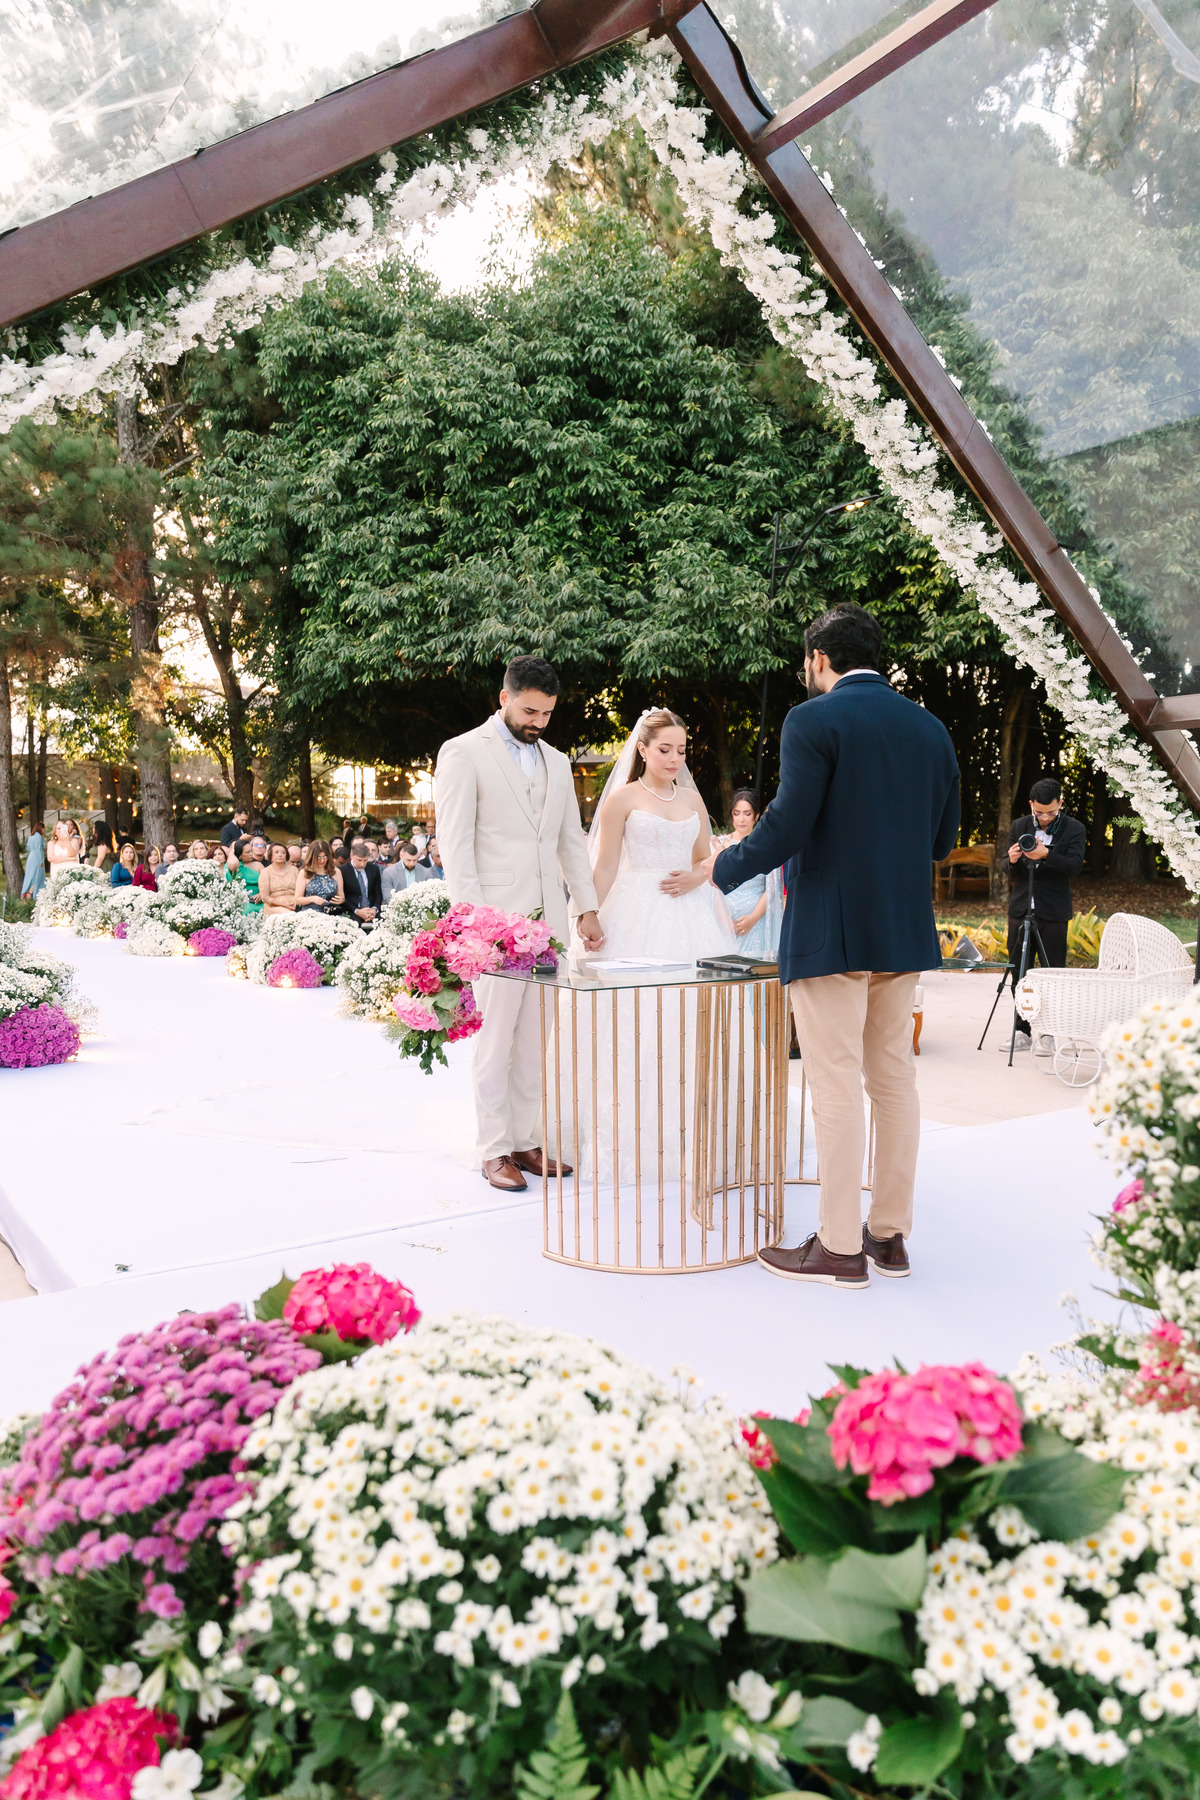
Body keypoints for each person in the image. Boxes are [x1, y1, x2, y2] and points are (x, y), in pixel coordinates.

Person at [679, 602, 960, 1290]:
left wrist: (721, 867)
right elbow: (942, 842)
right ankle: (888, 1238)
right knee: (893, 1081)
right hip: (902, 929)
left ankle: (837, 1247)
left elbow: (787, 825)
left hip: (830, 933)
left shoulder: (812, 719)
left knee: (834, 1083)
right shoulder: (931, 728)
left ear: (819, 659)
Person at [436, 654, 603, 1192]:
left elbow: (569, 840)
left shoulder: (557, 761)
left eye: (547, 713)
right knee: (495, 1040)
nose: (539, 722)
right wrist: (474, 924)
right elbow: (456, 844)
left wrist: (586, 908)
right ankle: (494, 1148)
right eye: (530, 711)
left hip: (549, 925)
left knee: (536, 1040)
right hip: (492, 926)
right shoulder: (463, 752)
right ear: (504, 697)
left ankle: (527, 1138)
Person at [1004, 776, 1087, 1052]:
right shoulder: (1020, 826)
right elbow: (1004, 865)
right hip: (1020, 909)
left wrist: (1046, 855)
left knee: (1053, 974)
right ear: (1031, 804)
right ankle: (1021, 1031)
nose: (1044, 818)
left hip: (1053, 912)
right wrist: (1011, 860)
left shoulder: (1074, 829)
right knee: (1019, 974)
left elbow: (1075, 867)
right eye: (1039, 812)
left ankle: (1049, 1034)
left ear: (1060, 803)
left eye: (1050, 812)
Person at [713, 790, 783, 958]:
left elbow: (772, 886)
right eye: (736, 813)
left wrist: (752, 919)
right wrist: (725, 921)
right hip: (724, 918)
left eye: (747, 813)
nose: (741, 819)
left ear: (756, 816)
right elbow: (712, 886)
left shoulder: (766, 846)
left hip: (756, 920)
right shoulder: (718, 844)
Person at [341, 839, 383, 925]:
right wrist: (357, 911)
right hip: (352, 910)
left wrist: (374, 909)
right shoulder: (342, 871)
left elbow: (378, 893)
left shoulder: (373, 869)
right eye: (359, 860)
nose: (362, 864)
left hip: (371, 910)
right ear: (351, 855)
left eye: (365, 860)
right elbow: (342, 897)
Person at [295, 840, 344, 912]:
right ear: (312, 857)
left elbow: (341, 896)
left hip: (331, 911)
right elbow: (297, 899)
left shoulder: (336, 872)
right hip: (310, 913)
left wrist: (340, 900)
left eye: (325, 857)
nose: (322, 860)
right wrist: (311, 899)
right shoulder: (304, 872)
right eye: (318, 857)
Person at [258, 840, 297, 913]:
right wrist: (285, 905)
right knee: (289, 913)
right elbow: (265, 897)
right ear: (271, 855)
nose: (280, 855)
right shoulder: (266, 872)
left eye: (283, 853)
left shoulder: (294, 870)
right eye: (276, 852)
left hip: (295, 904)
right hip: (274, 906)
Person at [227, 836, 264, 911]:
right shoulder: (234, 865)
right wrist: (233, 851)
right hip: (242, 902)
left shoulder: (258, 865)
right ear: (239, 854)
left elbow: (269, 881)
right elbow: (233, 864)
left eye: (251, 851)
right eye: (247, 852)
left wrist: (262, 894)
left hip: (260, 899)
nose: (251, 854)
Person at [20, 822, 45, 898]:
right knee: (37, 875)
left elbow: (28, 848)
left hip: (31, 857)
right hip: (37, 858)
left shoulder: (31, 837)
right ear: (41, 828)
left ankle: (26, 891)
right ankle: (31, 892)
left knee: (30, 875)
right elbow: (38, 850)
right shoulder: (39, 837)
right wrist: (41, 861)